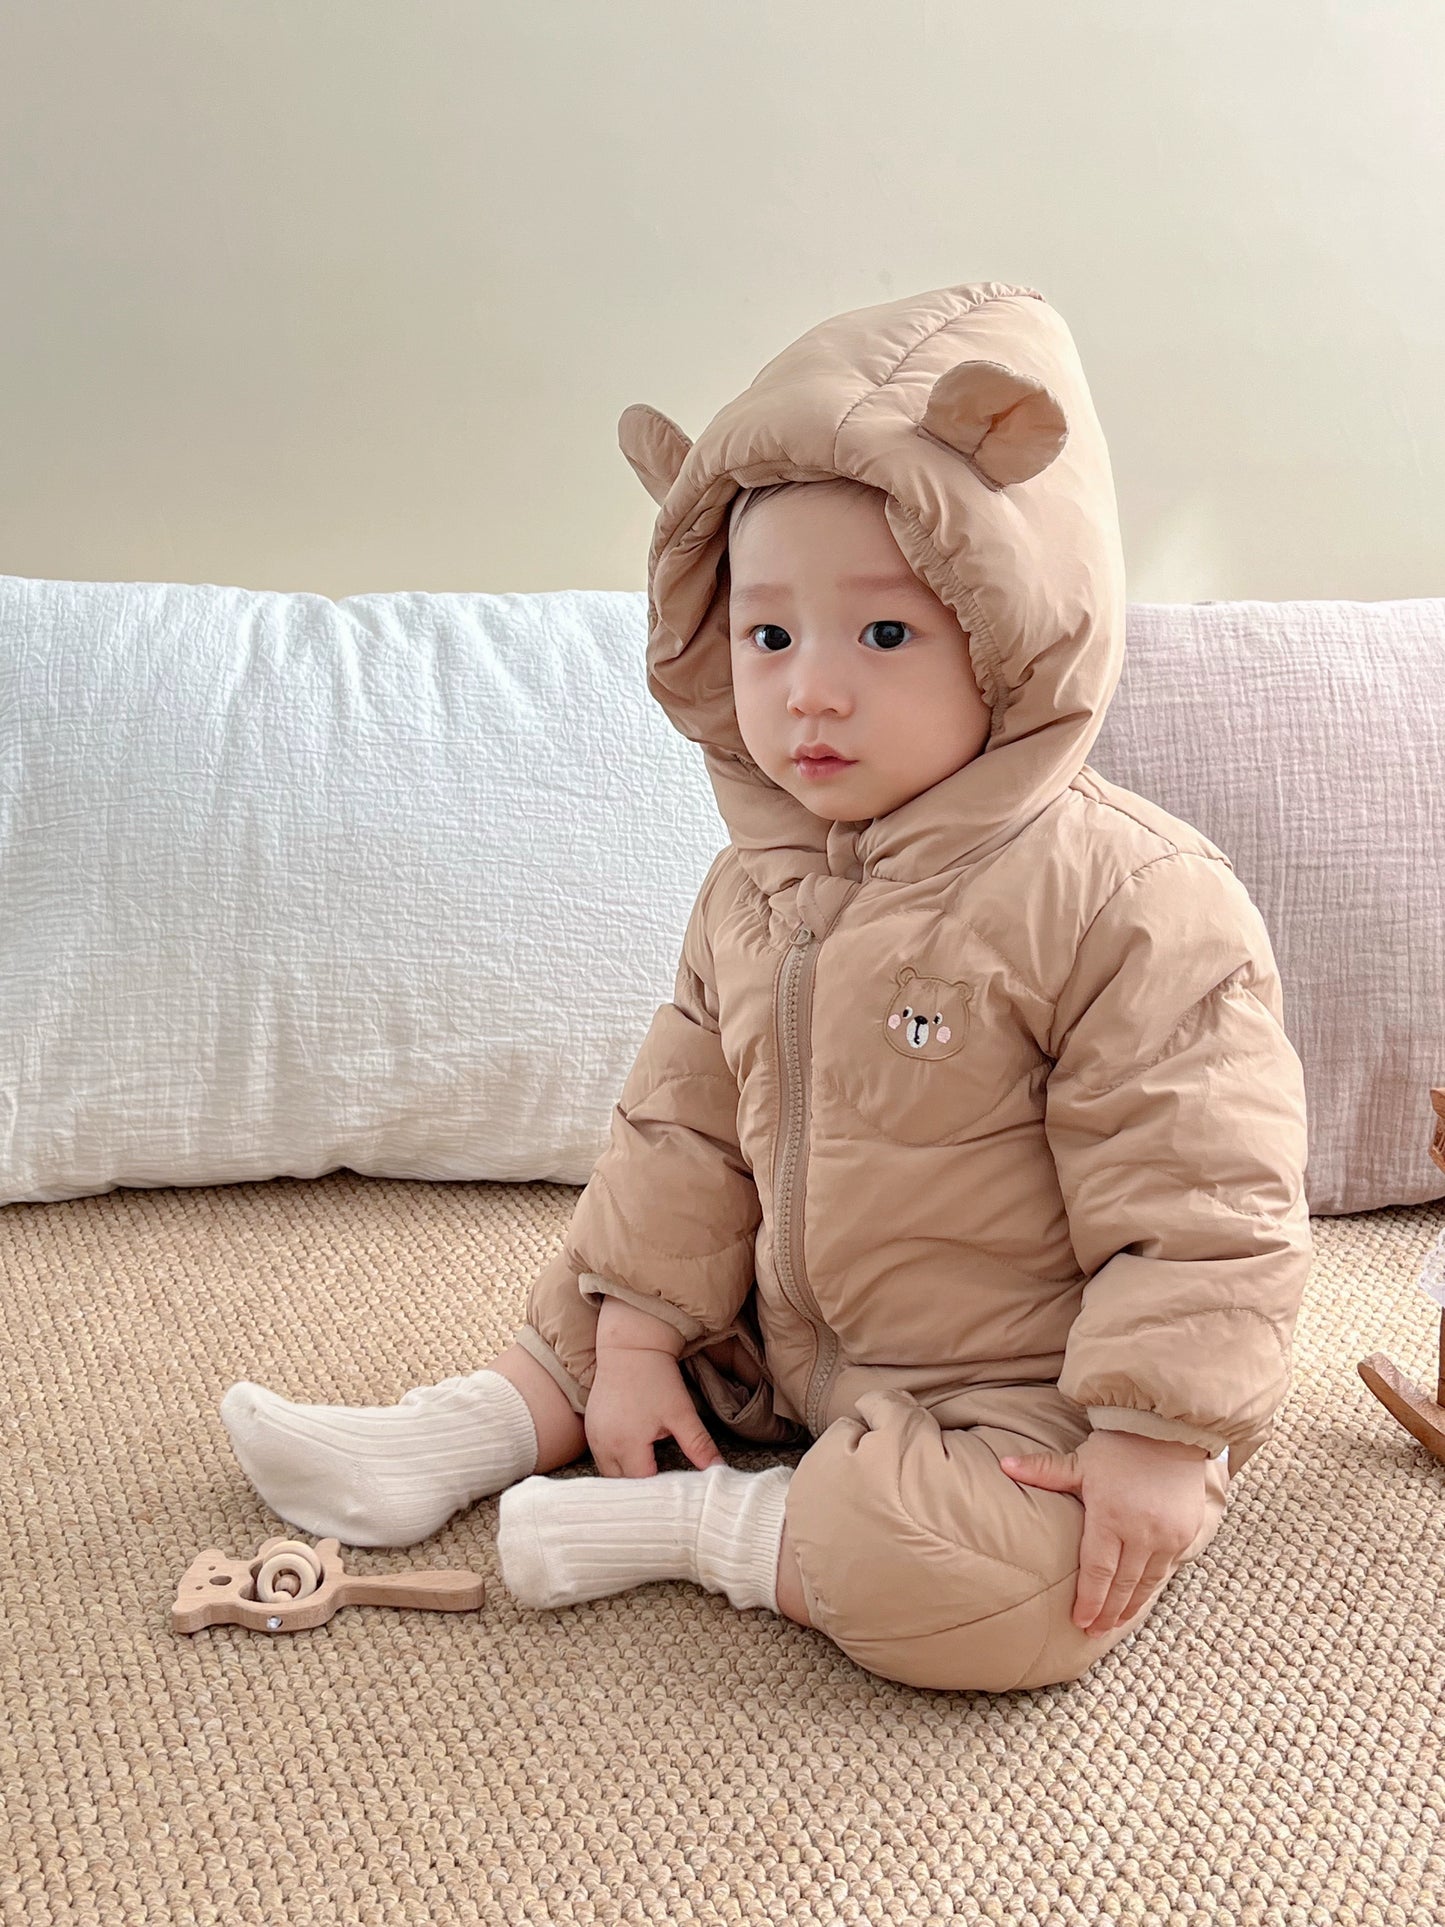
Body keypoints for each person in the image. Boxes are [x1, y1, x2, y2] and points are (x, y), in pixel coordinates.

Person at [220, 280, 1312, 1693]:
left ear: (1012, 631)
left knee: (1007, 1597)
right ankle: (460, 1433)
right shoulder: (754, 883)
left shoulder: (1131, 901)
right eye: (767, 636)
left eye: (881, 636)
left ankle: (711, 1525)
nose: (809, 693)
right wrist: (630, 1340)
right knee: (614, 1263)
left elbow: (1204, 1202)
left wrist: (1155, 1437)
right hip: (785, 1332)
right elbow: (680, 1128)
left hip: (1014, 1390)